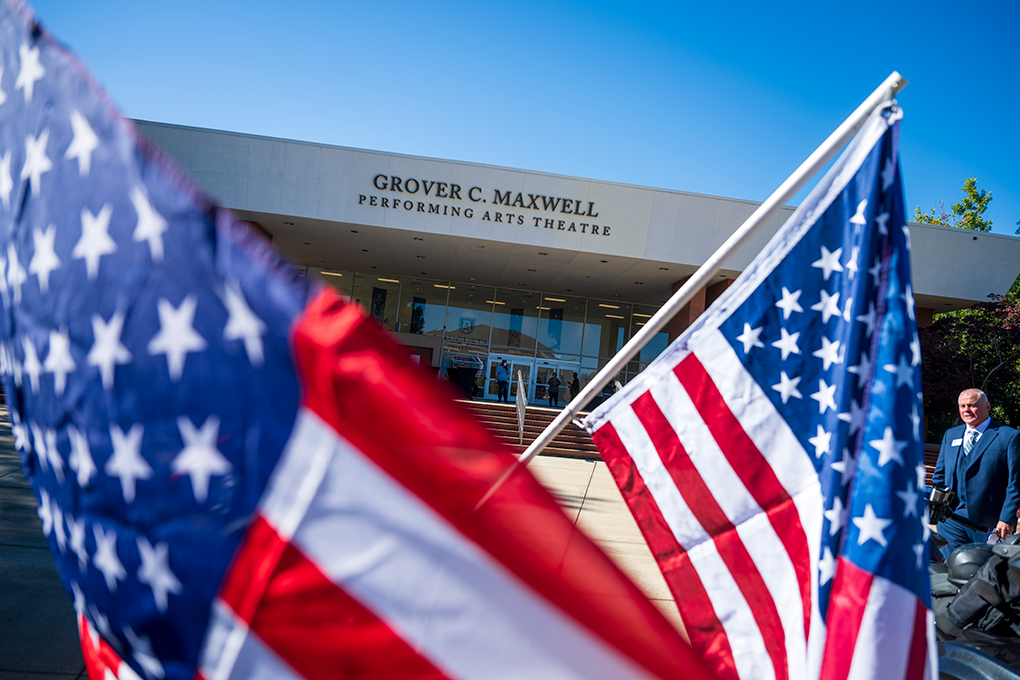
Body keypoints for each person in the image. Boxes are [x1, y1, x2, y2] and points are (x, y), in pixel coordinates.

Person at [932, 388, 1020, 554]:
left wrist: (1007, 517)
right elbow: (940, 475)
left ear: (987, 407)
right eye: (963, 406)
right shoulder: (951, 435)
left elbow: (1015, 483)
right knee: (952, 569)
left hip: (990, 521)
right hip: (951, 518)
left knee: (988, 572)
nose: (966, 410)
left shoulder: (1008, 436)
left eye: (972, 406)